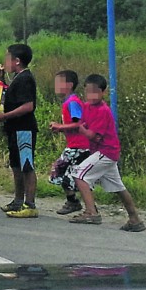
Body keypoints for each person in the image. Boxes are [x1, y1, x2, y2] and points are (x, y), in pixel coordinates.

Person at [67, 74, 145, 232]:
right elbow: (80, 121)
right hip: (104, 152)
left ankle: (91, 213)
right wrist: (63, 126)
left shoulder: (103, 111)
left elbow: (91, 135)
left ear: (103, 92)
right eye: (88, 92)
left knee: (79, 175)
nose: (91, 96)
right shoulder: (88, 107)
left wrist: (78, 126)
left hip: (106, 152)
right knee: (118, 187)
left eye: (95, 92)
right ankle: (135, 219)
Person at [0, 44, 38, 218]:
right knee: (16, 165)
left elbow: (28, 106)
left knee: (26, 165)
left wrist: (5, 116)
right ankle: (18, 200)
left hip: (24, 128)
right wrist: (2, 80)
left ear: (17, 61)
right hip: (14, 128)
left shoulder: (25, 78)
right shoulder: (18, 78)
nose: (5, 62)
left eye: (7, 58)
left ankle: (30, 204)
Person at [49, 70, 91, 215]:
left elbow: (80, 123)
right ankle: (74, 201)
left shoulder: (73, 102)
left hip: (80, 147)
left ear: (69, 85)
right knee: (61, 171)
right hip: (73, 146)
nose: (56, 86)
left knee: (65, 172)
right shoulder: (69, 102)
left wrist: (60, 127)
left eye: (59, 83)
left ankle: (81, 204)